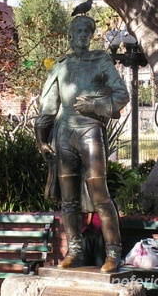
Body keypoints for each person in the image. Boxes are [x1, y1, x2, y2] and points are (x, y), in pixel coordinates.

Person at [34, 15, 130, 273]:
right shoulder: (61, 66)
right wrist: (42, 140)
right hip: (64, 133)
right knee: (69, 200)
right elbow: (48, 106)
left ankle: (113, 252)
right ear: (69, 35)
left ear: (91, 36)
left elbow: (122, 94)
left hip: (90, 130)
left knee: (100, 193)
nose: (82, 34)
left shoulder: (101, 61)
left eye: (86, 30)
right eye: (77, 30)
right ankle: (74, 250)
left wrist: (96, 105)